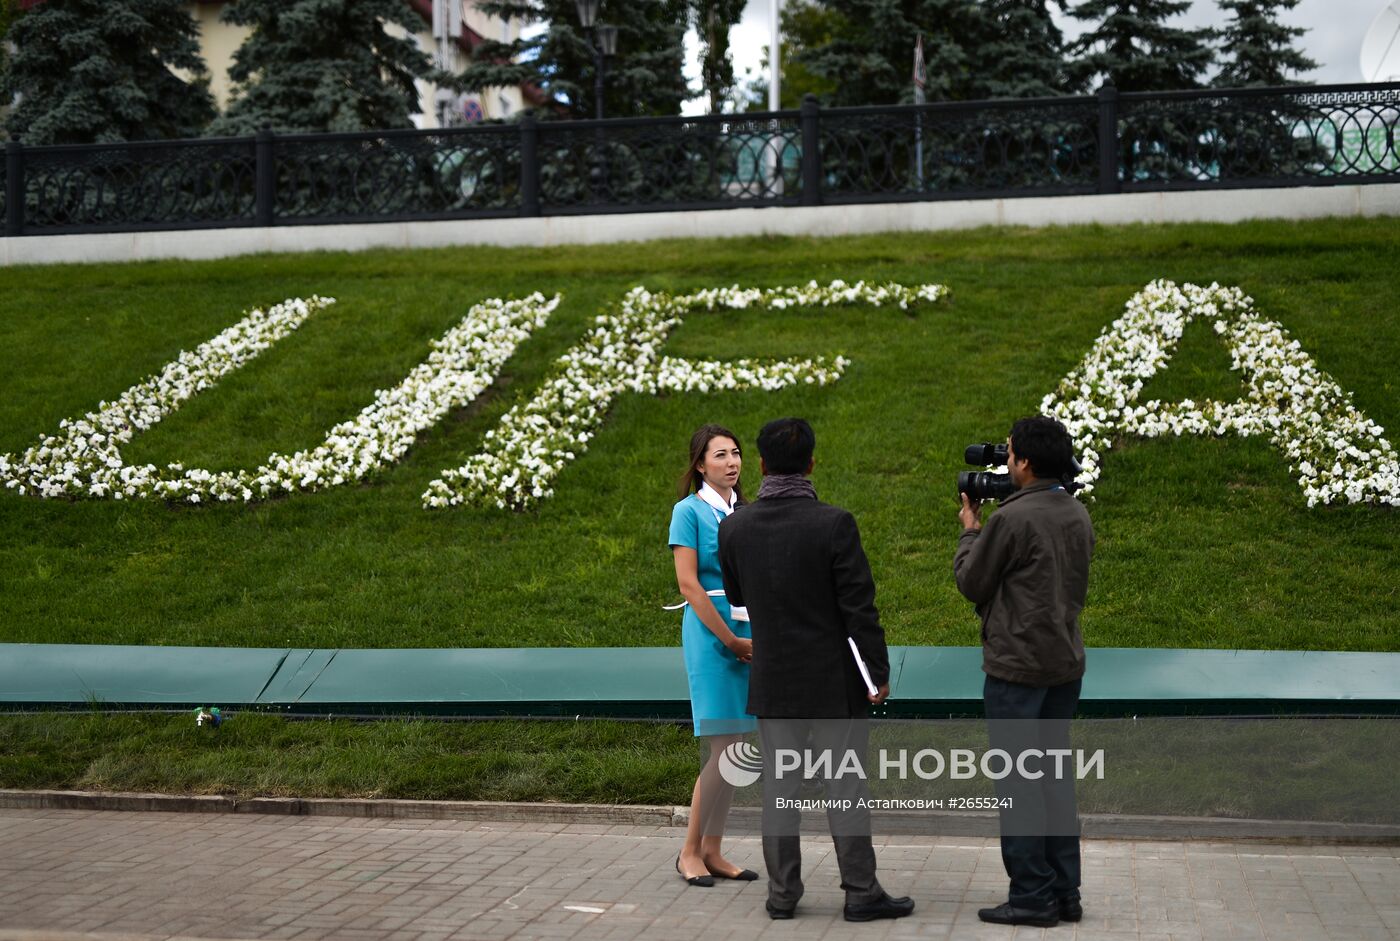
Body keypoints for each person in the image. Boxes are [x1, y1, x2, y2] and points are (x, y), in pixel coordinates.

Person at [718, 417, 914, 923]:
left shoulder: (734, 526)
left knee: (780, 791)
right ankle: (860, 892)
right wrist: (877, 671)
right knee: (844, 785)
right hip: (833, 684)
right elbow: (859, 608)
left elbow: (737, 597)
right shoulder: (834, 523)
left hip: (774, 682)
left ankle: (783, 895)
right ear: (811, 462)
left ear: (759, 465)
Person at [954, 415, 1095, 929]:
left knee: (1019, 785)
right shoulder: (1076, 513)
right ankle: (1065, 893)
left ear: (1025, 462)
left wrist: (970, 533)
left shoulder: (1011, 520)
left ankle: (1032, 897)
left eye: (1009, 452)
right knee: (1054, 781)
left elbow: (972, 582)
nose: (1004, 459)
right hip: (1063, 667)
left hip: (1017, 671)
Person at [667, 424, 760, 888]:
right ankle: (689, 851)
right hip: (711, 634)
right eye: (720, 455)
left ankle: (714, 849)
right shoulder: (687, 511)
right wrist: (729, 640)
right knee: (724, 749)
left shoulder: (748, 512)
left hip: (750, 629)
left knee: (739, 747)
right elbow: (689, 584)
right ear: (700, 464)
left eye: (736, 453)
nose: (731, 462)